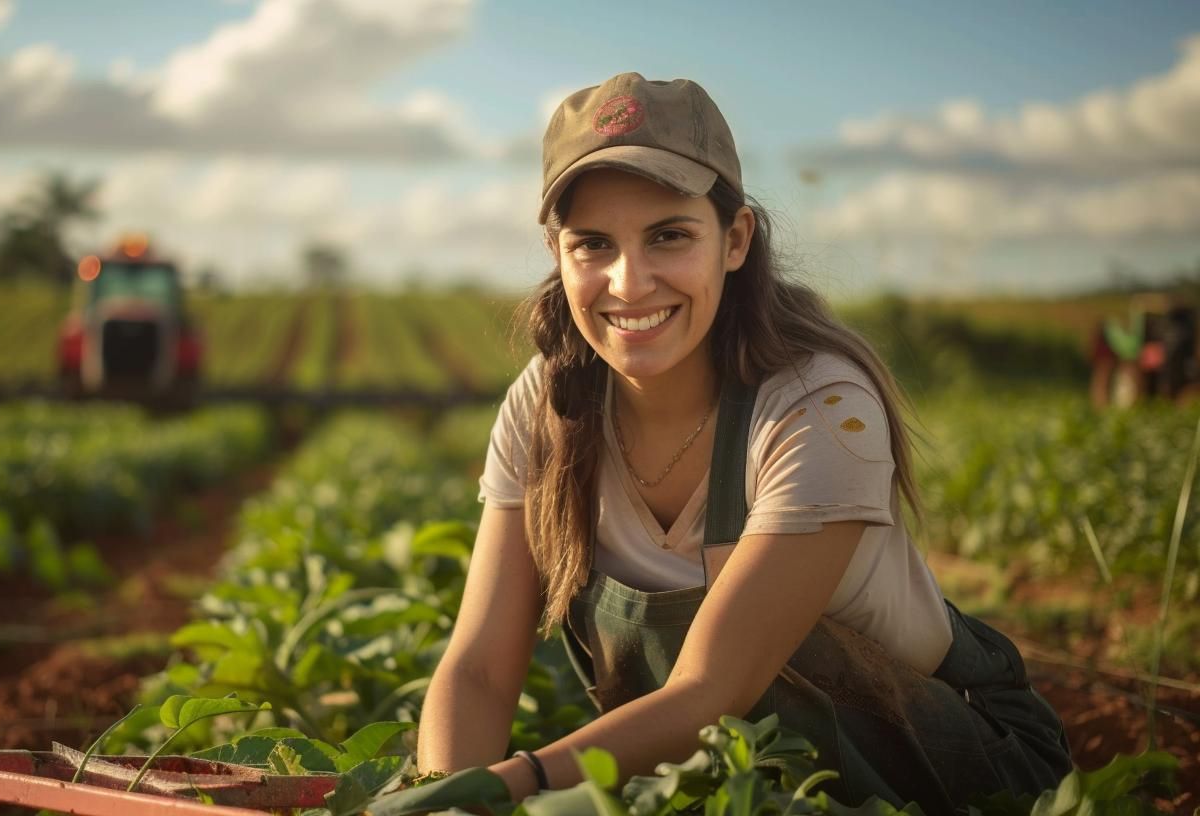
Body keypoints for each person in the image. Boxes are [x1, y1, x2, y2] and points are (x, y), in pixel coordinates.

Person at [413, 73, 1073, 814]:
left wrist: (514, 782)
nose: (629, 283)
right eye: (593, 244)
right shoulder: (548, 407)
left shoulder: (818, 406)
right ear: (555, 252)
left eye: (669, 235)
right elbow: (476, 670)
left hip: (949, 763)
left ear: (734, 239)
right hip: (733, 777)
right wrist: (440, 798)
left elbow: (711, 690)